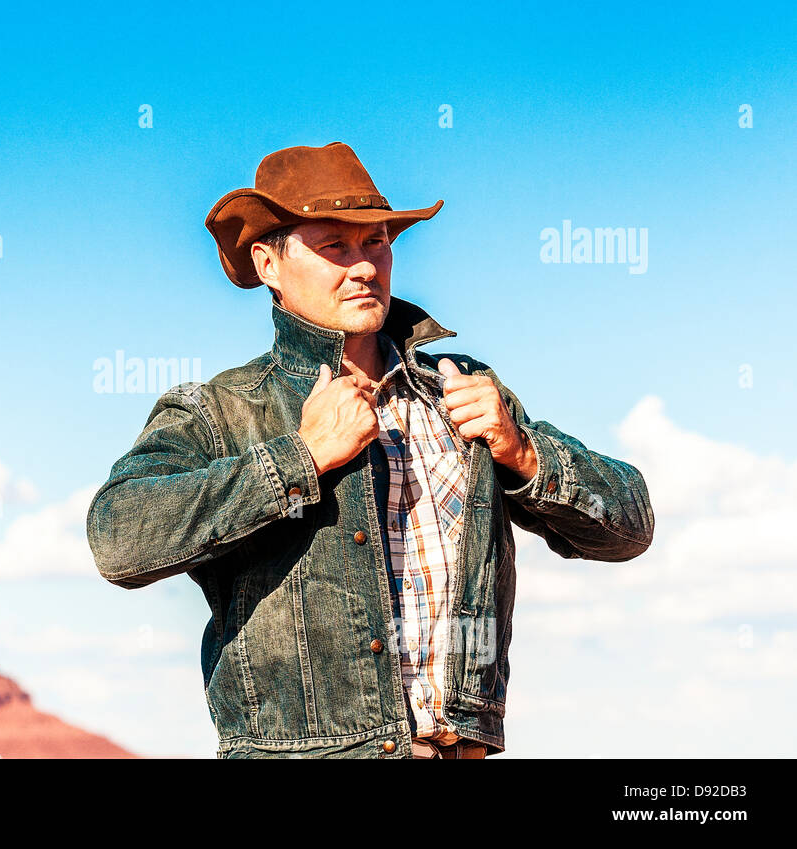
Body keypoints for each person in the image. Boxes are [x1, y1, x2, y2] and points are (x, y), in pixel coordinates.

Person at [85, 141, 654, 758]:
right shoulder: (223, 410)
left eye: (377, 242)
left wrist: (526, 455)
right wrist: (300, 458)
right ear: (267, 263)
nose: (363, 267)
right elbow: (119, 538)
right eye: (335, 246)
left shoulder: (461, 388)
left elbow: (631, 527)